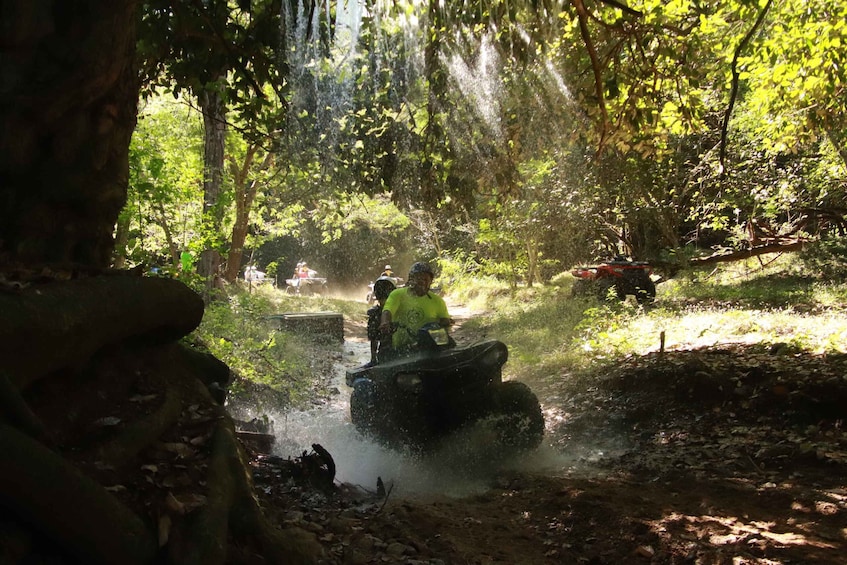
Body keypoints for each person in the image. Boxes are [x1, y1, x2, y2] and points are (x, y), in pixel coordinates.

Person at [379, 262, 451, 353]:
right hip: (402, 347)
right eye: (419, 279)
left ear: (430, 281)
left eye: (426, 279)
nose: (422, 282)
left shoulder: (438, 301)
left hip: (429, 348)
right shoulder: (398, 294)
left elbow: (445, 322)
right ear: (411, 280)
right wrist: (385, 322)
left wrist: (446, 322)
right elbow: (387, 311)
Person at [366, 276, 397, 365]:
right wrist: (373, 359)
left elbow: (373, 339)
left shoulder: (400, 309)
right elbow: (373, 338)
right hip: (387, 352)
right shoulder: (375, 313)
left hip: (396, 350)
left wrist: (373, 359)